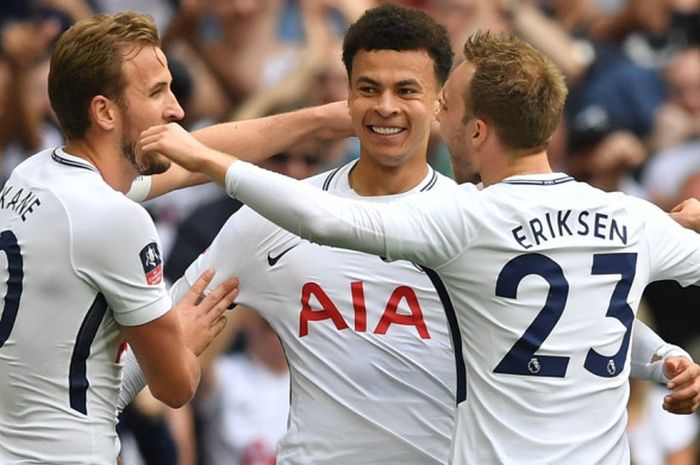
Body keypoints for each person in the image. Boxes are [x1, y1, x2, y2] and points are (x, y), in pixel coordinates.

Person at [141, 30, 700, 464]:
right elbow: (588, 306)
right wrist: (665, 359)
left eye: (435, 101)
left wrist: (208, 160)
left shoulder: (462, 219)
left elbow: (321, 219)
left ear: (467, 123)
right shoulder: (625, 216)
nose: (398, 108)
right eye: (368, 89)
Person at [0, 12, 242, 464]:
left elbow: (205, 152)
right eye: (157, 92)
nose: (177, 109)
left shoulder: (32, 173)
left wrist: (318, 122)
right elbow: (175, 387)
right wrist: (182, 339)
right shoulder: (115, 218)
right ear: (104, 111)